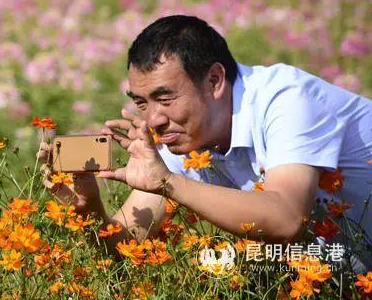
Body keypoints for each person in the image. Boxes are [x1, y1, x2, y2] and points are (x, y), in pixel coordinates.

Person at [40, 15, 372, 272]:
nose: (153, 118)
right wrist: (89, 208)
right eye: (141, 102)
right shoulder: (183, 135)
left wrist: (169, 183)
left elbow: (287, 219)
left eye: (164, 97)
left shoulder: (286, 99)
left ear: (214, 80)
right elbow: (128, 249)